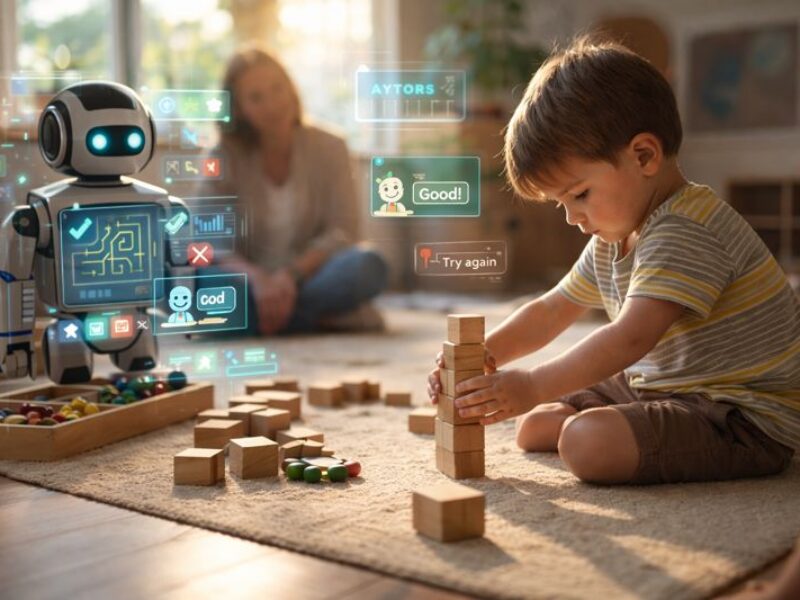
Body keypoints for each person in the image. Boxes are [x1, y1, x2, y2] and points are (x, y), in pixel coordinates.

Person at [427, 36, 799, 485]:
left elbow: (628, 339)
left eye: (579, 194)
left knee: (587, 444)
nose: (571, 217)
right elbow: (550, 309)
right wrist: (482, 356)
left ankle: (613, 423)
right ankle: (612, 417)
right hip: (663, 383)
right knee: (536, 427)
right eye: (559, 203)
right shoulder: (615, 235)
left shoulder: (687, 227)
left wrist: (534, 384)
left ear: (644, 155)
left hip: (739, 413)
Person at [203, 45, 388, 335]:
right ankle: (320, 318)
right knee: (193, 288)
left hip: (309, 276)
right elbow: (210, 240)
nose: (272, 104)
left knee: (368, 265)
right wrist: (260, 280)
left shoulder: (332, 147)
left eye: (277, 89)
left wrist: (289, 277)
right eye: (256, 97)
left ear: (291, 88)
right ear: (238, 108)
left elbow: (344, 231)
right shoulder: (222, 156)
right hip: (248, 280)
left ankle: (270, 319)